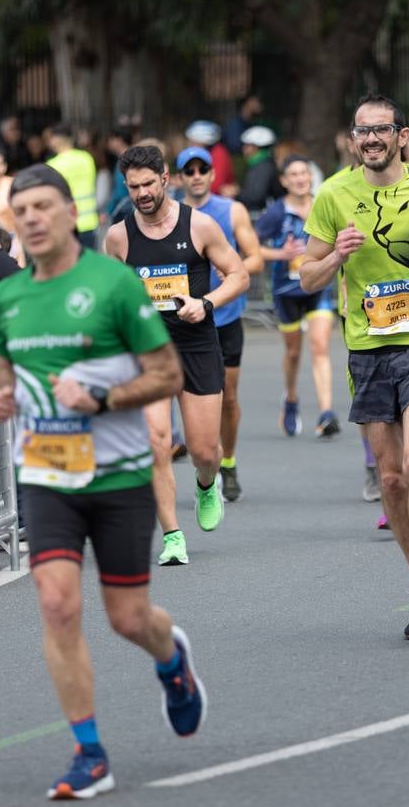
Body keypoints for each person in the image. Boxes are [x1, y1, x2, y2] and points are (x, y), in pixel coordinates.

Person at [0, 164, 205, 801]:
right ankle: (89, 752)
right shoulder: (11, 295)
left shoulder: (112, 283)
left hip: (118, 475)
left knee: (128, 618)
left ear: (69, 213)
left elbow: (166, 375)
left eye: (43, 206)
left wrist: (100, 398)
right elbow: (6, 372)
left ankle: (171, 659)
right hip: (46, 474)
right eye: (21, 210)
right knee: (57, 605)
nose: (32, 219)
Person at [298, 93, 409, 643]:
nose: (371, 139)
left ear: (402, 135)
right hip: (368, 347)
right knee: (392, 477)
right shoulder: (333, 193)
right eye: (362, 131)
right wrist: (336, 256)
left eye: (381, 130)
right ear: (353, 139)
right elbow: (306, 275)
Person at [104, 146, 248, 567]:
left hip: (196, 344)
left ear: (166, 179)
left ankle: (206, 483)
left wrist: (205, 303)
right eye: (134, 187)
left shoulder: (199, 225)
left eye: (149, 184)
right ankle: (171, 535)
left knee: (204, 451)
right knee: (157, 442)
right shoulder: (118, 237)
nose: (143, 193)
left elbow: (238, 275)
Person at [174, 146, 263, 502]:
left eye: (202, 169)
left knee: (228, 398)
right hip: (182, 323)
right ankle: (202, 456)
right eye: (189, 170)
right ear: (178, 178)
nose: (196, 176)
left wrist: (232, 270)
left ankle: (227, 462)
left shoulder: (231, 210)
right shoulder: (169, 216)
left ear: (212, 174)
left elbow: (255, 259)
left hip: (224, 318)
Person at [257, 155, 343, 444]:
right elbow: (252, 247)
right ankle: (291, 398)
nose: (299, 179)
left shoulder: (323, 204)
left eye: (303, 173)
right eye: (293, 174)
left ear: (310, 177)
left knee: (320, 347)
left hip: (317, 288)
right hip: (286, 291)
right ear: (284, 181)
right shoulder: (276, 213)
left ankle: (326, 413)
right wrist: (280, 254)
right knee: (293, 353)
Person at [46, 124, 100, 248]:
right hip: (90, 220)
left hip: (67, 222)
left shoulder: (53, 164)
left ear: (55, 140)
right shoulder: (86, 158)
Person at [238, 126, 283, 213]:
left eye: (246, 146)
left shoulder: (263, 167)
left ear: (255, 147)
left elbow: (255, 197)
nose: (243, 149)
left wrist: (237, 193)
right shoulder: (262, 163)